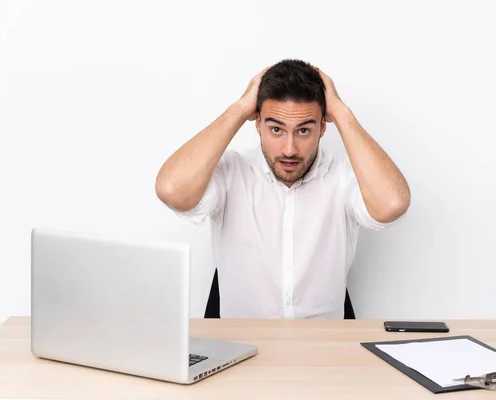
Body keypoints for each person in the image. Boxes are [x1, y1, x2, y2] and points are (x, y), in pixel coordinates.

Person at [155, 59, 410, 319]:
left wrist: (342, 113)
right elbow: (171, 188)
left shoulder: (342, 177)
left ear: (323, 127)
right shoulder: (232, 172)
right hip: (240, 348)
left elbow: (392, 204)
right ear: (257, 124)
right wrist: (239, 109)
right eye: (276, 129)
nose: (289, 149)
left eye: (303, 130)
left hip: (325, 349)